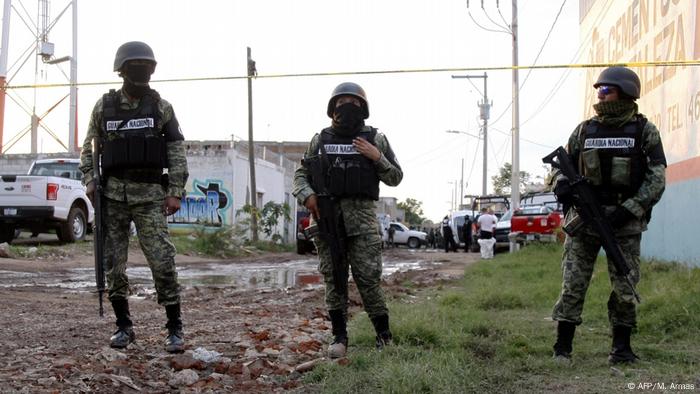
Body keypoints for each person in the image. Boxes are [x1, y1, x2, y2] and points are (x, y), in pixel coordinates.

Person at [550, 66, 666, 364]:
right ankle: (562, 347)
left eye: (607, 90)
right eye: (598, 90)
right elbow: (558, 166)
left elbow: (656, 179)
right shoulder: (585, 130)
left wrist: (629, 210)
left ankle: (622, 349)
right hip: (584, 221)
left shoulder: (644, 131)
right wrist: (561, 184)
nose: (600, 95)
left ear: (625, 93)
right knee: (573, 283)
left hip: (624, 223)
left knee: (625, 285)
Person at [79, 41, 189, 353]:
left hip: (151, 196)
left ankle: (174, 327)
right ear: (122, 71)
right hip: (112, 196)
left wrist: (175, 193)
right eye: (135, 67)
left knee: (162, 261)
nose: (141, 72)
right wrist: (90, 181)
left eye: (146, 66)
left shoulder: (161, 107)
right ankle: (123, 326)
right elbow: (88, 148)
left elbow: (177, 152)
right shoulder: (104, 107)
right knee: (113, 264)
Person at [292, 82, 403, 359]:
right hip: (328, 221)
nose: (347, 107)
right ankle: (339, 338)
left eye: (353, 103)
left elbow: (395, 178)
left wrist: (377, 157)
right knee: (334, 280)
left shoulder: (376, 139)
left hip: (363, 224)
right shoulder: (320, 140)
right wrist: (308, 196)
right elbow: (300, 175)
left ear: (363, 108)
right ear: (332, 109)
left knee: (368, 280)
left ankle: (384, 336)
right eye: (341, 103)